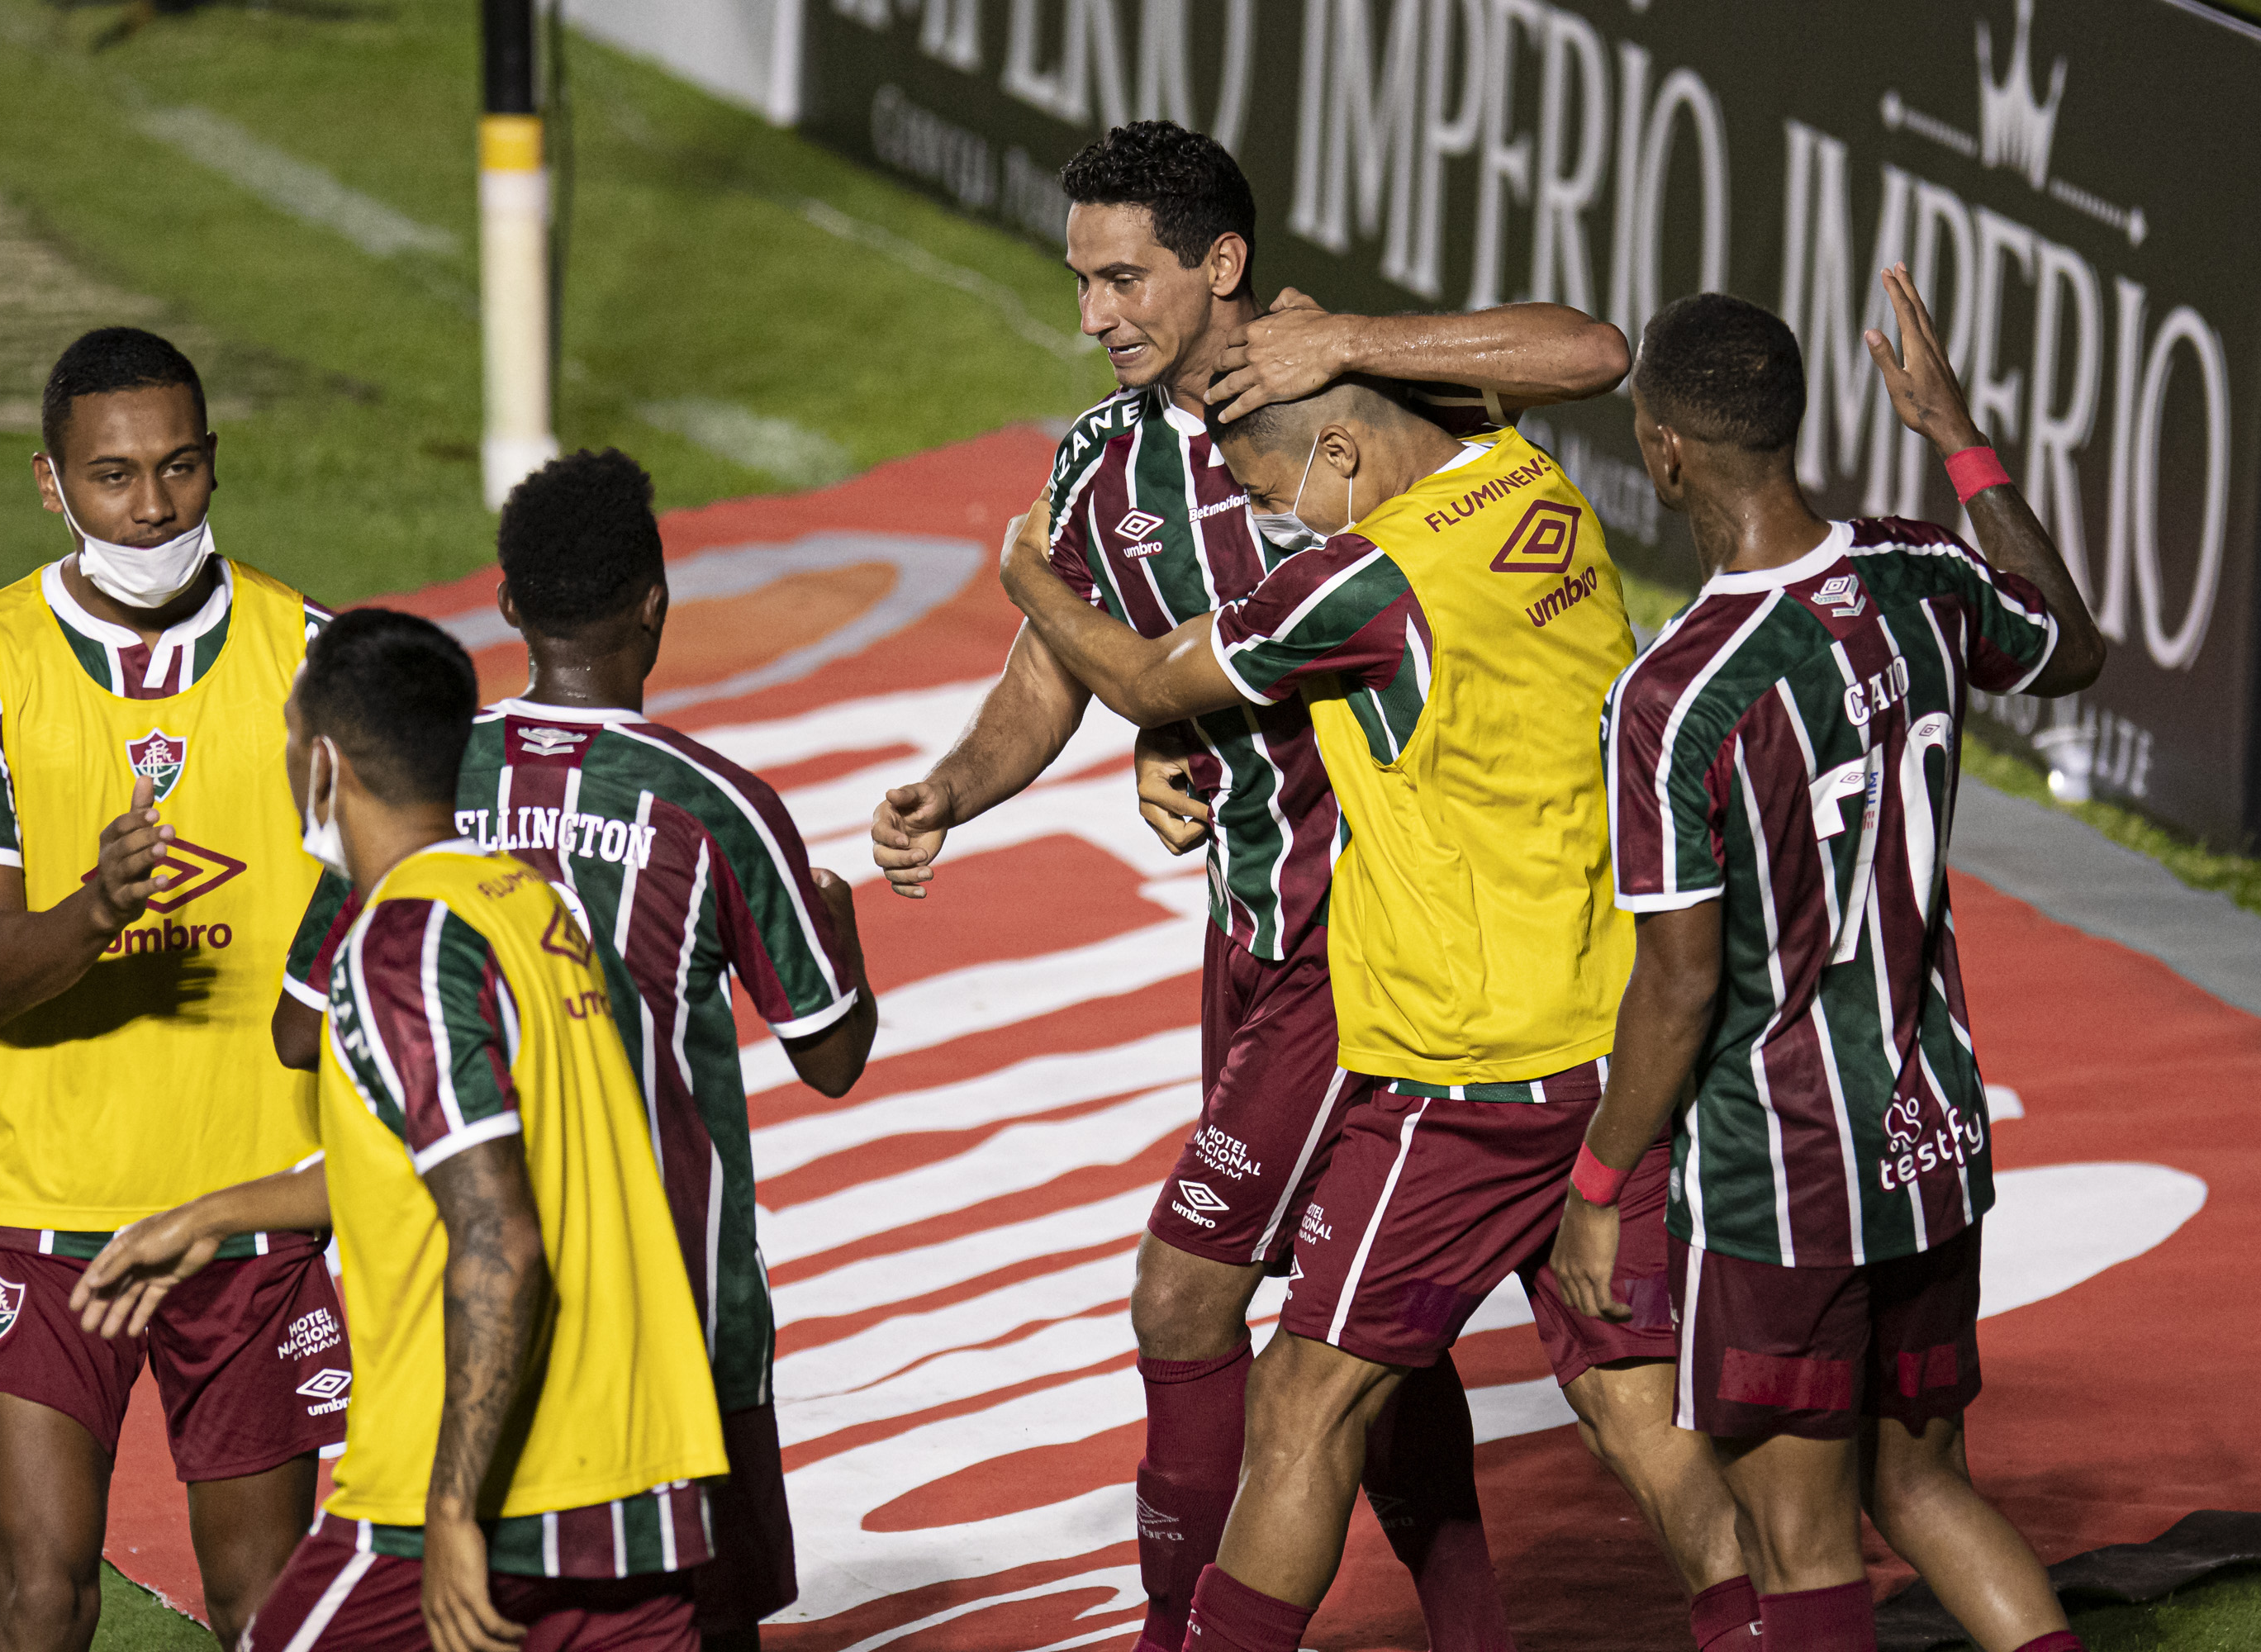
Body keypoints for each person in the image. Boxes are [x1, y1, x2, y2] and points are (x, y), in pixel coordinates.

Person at [870, 118, 1628, 1652]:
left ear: (1221, 264)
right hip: (1255, 934)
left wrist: (1347, 335)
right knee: (1374, 1342)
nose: (1098, 315)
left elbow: (1593, 350)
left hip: (1381, 953)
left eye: (1126, 278)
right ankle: (1480, 1628)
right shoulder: (1103, 460)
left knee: (1193, 1302)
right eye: (1083, 281)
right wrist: (955, 784)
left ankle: (1184, 1635)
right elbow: (1059, 668)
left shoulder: (1356, 387)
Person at [996, 363, 1756, 1652]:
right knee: (1639, 1412)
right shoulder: (1531, 483)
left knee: (1302, 1404)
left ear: (1338, 457)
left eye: (1265, 490)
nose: (1267, 521)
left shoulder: (1355, 582)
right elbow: (1567, 345)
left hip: (1466, 1078)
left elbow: (1140, 676)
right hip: (1618, 1043)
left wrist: (1027, 572)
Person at [1552, 277, 2102, 1652]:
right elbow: (2070, 644)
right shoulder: (1923, 573)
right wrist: (1959, 435)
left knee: (1800, 1555)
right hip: (1933, 1134)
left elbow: (1678, 989)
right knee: (1918, 1482)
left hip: (1781, 1174)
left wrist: (1601, 1182)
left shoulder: (1677, 697)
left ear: (1664, 449)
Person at [275, 449, 877, 1650]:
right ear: (655, 598)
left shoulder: (427, 774)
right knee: (691, 1625)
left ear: (507, 606)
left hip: (456, 1296)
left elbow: (299, 1025)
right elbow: (831, 1051)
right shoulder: (714, 803)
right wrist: (843, 931)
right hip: (676, 1320)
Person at [74, 609, 731, 1652]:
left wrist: (455, 1509)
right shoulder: (528, 903)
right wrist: (218, 1212)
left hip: (482, 1483)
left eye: (293, 739)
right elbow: (464, 1159)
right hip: (638, 1474)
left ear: (322, 762)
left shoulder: (398, 943)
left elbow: (501, 1236)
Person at [0, 326, 348, 1651]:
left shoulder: (317, 656)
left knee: (260, 1613)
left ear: (213, 464)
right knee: (45, 1594)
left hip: (249, 1209)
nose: (150, 508)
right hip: (46, 1210)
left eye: (179, 469)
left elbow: (359, 924)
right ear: (51, 484)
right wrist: (100, 909)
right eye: (111, 477)